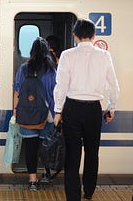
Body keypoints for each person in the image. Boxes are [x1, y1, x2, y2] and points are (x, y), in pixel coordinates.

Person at [53, 19, 120, 201]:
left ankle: (73, 197)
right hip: (93, 110)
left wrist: (58, 111)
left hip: (72, 108)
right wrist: (111, 108)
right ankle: (89, 191)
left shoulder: (67, 55)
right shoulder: (105, 56)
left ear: (75, 36)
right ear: (93, 36)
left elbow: (61, 86)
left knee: (73, 155)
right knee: (92, 153)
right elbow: (113, 86)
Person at [13, 37, 56, 191]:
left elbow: (17, 92)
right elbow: (56, 92)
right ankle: (46, 174)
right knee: (47, 147)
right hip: (48, 115)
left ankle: (32, 181)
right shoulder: (51, 69)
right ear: (46, 52)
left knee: (30, 148)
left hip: (27, 114)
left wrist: (15, 111)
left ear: (32, 51)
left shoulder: (24, 68)